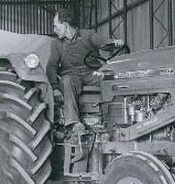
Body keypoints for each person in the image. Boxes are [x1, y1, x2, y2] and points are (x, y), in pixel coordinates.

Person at [46, 8, 123, 143]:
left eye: (56, 26)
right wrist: (54, 86)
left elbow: (104, 42)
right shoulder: (57, 43)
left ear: (65, 24)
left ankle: (116, 119)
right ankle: (73, 124)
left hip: (90, 73)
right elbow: (52, 66)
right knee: (67, 81)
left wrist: (114, 43)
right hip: (72, 76)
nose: (54, 30)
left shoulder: (88, 35)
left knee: (110, 79)